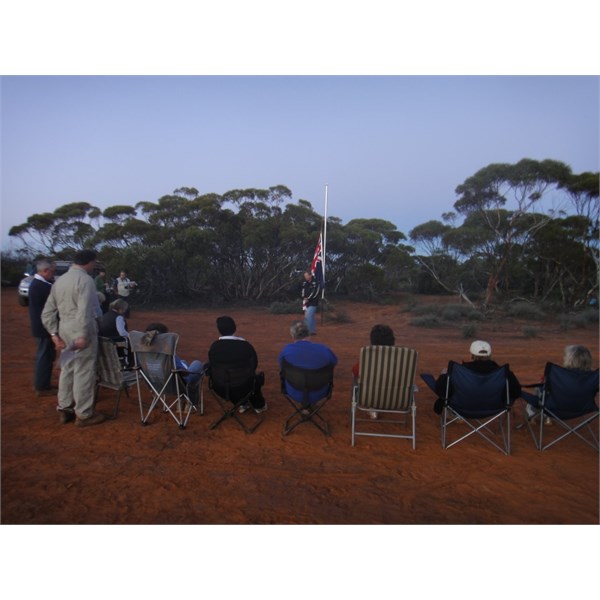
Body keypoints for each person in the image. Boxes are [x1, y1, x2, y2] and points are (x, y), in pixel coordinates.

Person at [41, 249, 106, 427]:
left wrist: (54, 335)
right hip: (81, 330)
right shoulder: (85, 280)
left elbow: (47, 312)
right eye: (94, 263)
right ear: (89, 262)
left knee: (67, 368)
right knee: (84, 371)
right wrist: (83, 335)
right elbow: (85, 311)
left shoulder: (59, 281)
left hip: (64, 330)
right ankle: (84, 414)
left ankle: (64, 408)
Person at [427, 340, 522, 414]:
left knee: (449, 390)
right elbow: (516, 392)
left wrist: (444, 375)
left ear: (472, 355)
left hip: (461, 407)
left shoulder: (460, 371)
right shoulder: (502, 372)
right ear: (490, 355)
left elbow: (441, 390)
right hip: (495, 408)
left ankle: (455, 415)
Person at [207, 315, 267, 414]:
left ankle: (242, 403)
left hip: (220, 388)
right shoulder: (245, 346)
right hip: (244, 386)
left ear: (219, 330)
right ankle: (259, 406)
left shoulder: (214, 347)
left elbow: (211, 366)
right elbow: (254, 365)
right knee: (254, 379)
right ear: (235, 328)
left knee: (232, 379)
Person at [525, 344, 594, 424]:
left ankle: (534, 413)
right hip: (582, 409)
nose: (564, 358)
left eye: (566, 356)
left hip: (556, 410)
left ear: (571, 360)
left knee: (540, 389)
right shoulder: (593, 377)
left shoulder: (560, 376)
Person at [144, 322, 204, 408]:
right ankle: (191, 402)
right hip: (175, 384)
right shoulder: (167, 352)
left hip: (156, 384)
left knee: (183, 361)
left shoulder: (142, 353)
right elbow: (181, 371)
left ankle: (182, 400)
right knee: (197, 363)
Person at [279, 320, 337, 408]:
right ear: (309, 334)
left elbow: (282, 365)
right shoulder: (324, 350)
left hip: (294, 391)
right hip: (319, 391)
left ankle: (305, 406)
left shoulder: (286, 351)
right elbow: (334, 362)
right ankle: (311, 404)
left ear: (292, 335)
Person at [351, 324, 396, 419]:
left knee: (359, 378)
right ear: (392, 340)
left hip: (369, 396)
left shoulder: (368, 359)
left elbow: (355, 371)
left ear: (372, 341)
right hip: (396, 397)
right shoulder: (402, 359)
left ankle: (373, 406)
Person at [28, 258, 57, 396]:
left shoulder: (38, 284)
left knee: (45, 355)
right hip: (44, 327)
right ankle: (41, 387)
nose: (53, 273)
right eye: (52, 271)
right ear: (45, 271)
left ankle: (42, 384)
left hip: (41, 326)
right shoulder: (42, 286)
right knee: (44, 356)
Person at [301, 270, 321, 335]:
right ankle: (312, 331)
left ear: (310, 275)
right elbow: (303, 290)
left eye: (306, 276)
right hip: (306, 302)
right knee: (310, 316)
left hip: (313, 302)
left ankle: (308, 331)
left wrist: (308, 298)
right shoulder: (305, 283)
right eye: (305, 276)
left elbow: (315, 292)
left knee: (308, 315)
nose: (305, 277)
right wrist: (304, 297)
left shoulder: (316, 283)